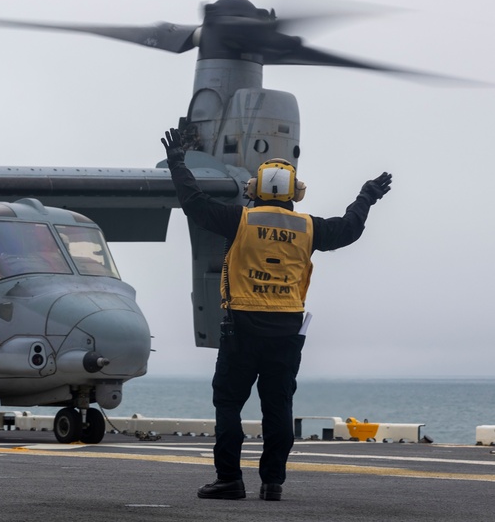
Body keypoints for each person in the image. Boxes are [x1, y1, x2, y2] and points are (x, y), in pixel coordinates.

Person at [161, 127, 391, 502]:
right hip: (286, 328)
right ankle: (273, 483)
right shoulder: (309, 228)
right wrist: (368, 195)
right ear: (295, 193)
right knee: (278, 406)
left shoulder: (240, 220)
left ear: (255, 188)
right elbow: (349, 229)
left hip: (241, 327)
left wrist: (177, 161)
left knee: (229, 404)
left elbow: (194, 202)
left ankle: (229, 480)